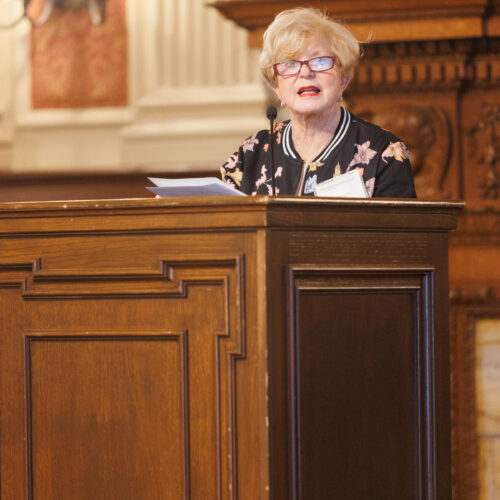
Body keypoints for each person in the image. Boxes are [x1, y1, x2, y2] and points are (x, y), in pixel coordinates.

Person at [220, 8, 417, 197]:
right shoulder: (249, 155)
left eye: (320, 61)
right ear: (276, 86)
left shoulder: (384, 152)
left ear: (344, 78)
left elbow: (398, 230)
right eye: (290, 63)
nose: (305, 73)